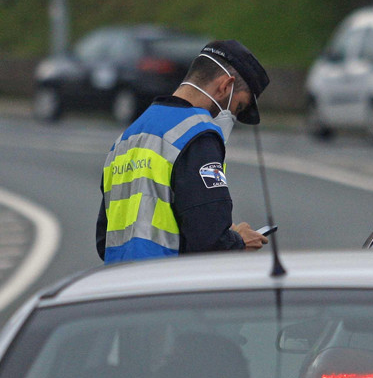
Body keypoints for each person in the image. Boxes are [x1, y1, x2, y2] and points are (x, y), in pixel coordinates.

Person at [96, 40, 270, 264]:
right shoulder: (197, 135)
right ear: (225, 86)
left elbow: (104, 240)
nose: (233, 118)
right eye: (238, 108)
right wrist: (238, 241)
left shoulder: (127, 138)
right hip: (169, 287)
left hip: (120, 286)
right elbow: (210, 240)